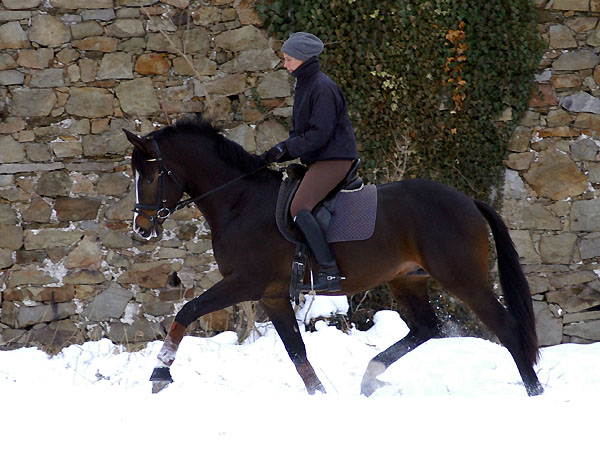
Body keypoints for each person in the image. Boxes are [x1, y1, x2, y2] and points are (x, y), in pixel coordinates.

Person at [259, 32, 358, 293]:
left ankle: (330, 272)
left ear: (303, 59)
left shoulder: (322, 87)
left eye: (289, 59)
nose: (285, 64)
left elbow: (319, 134)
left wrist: (286, 148)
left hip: (334, 158)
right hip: (320, 157)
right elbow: (300, 131)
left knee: (299, 206)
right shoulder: (305, 84)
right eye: (284, 59)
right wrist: (280, 152)